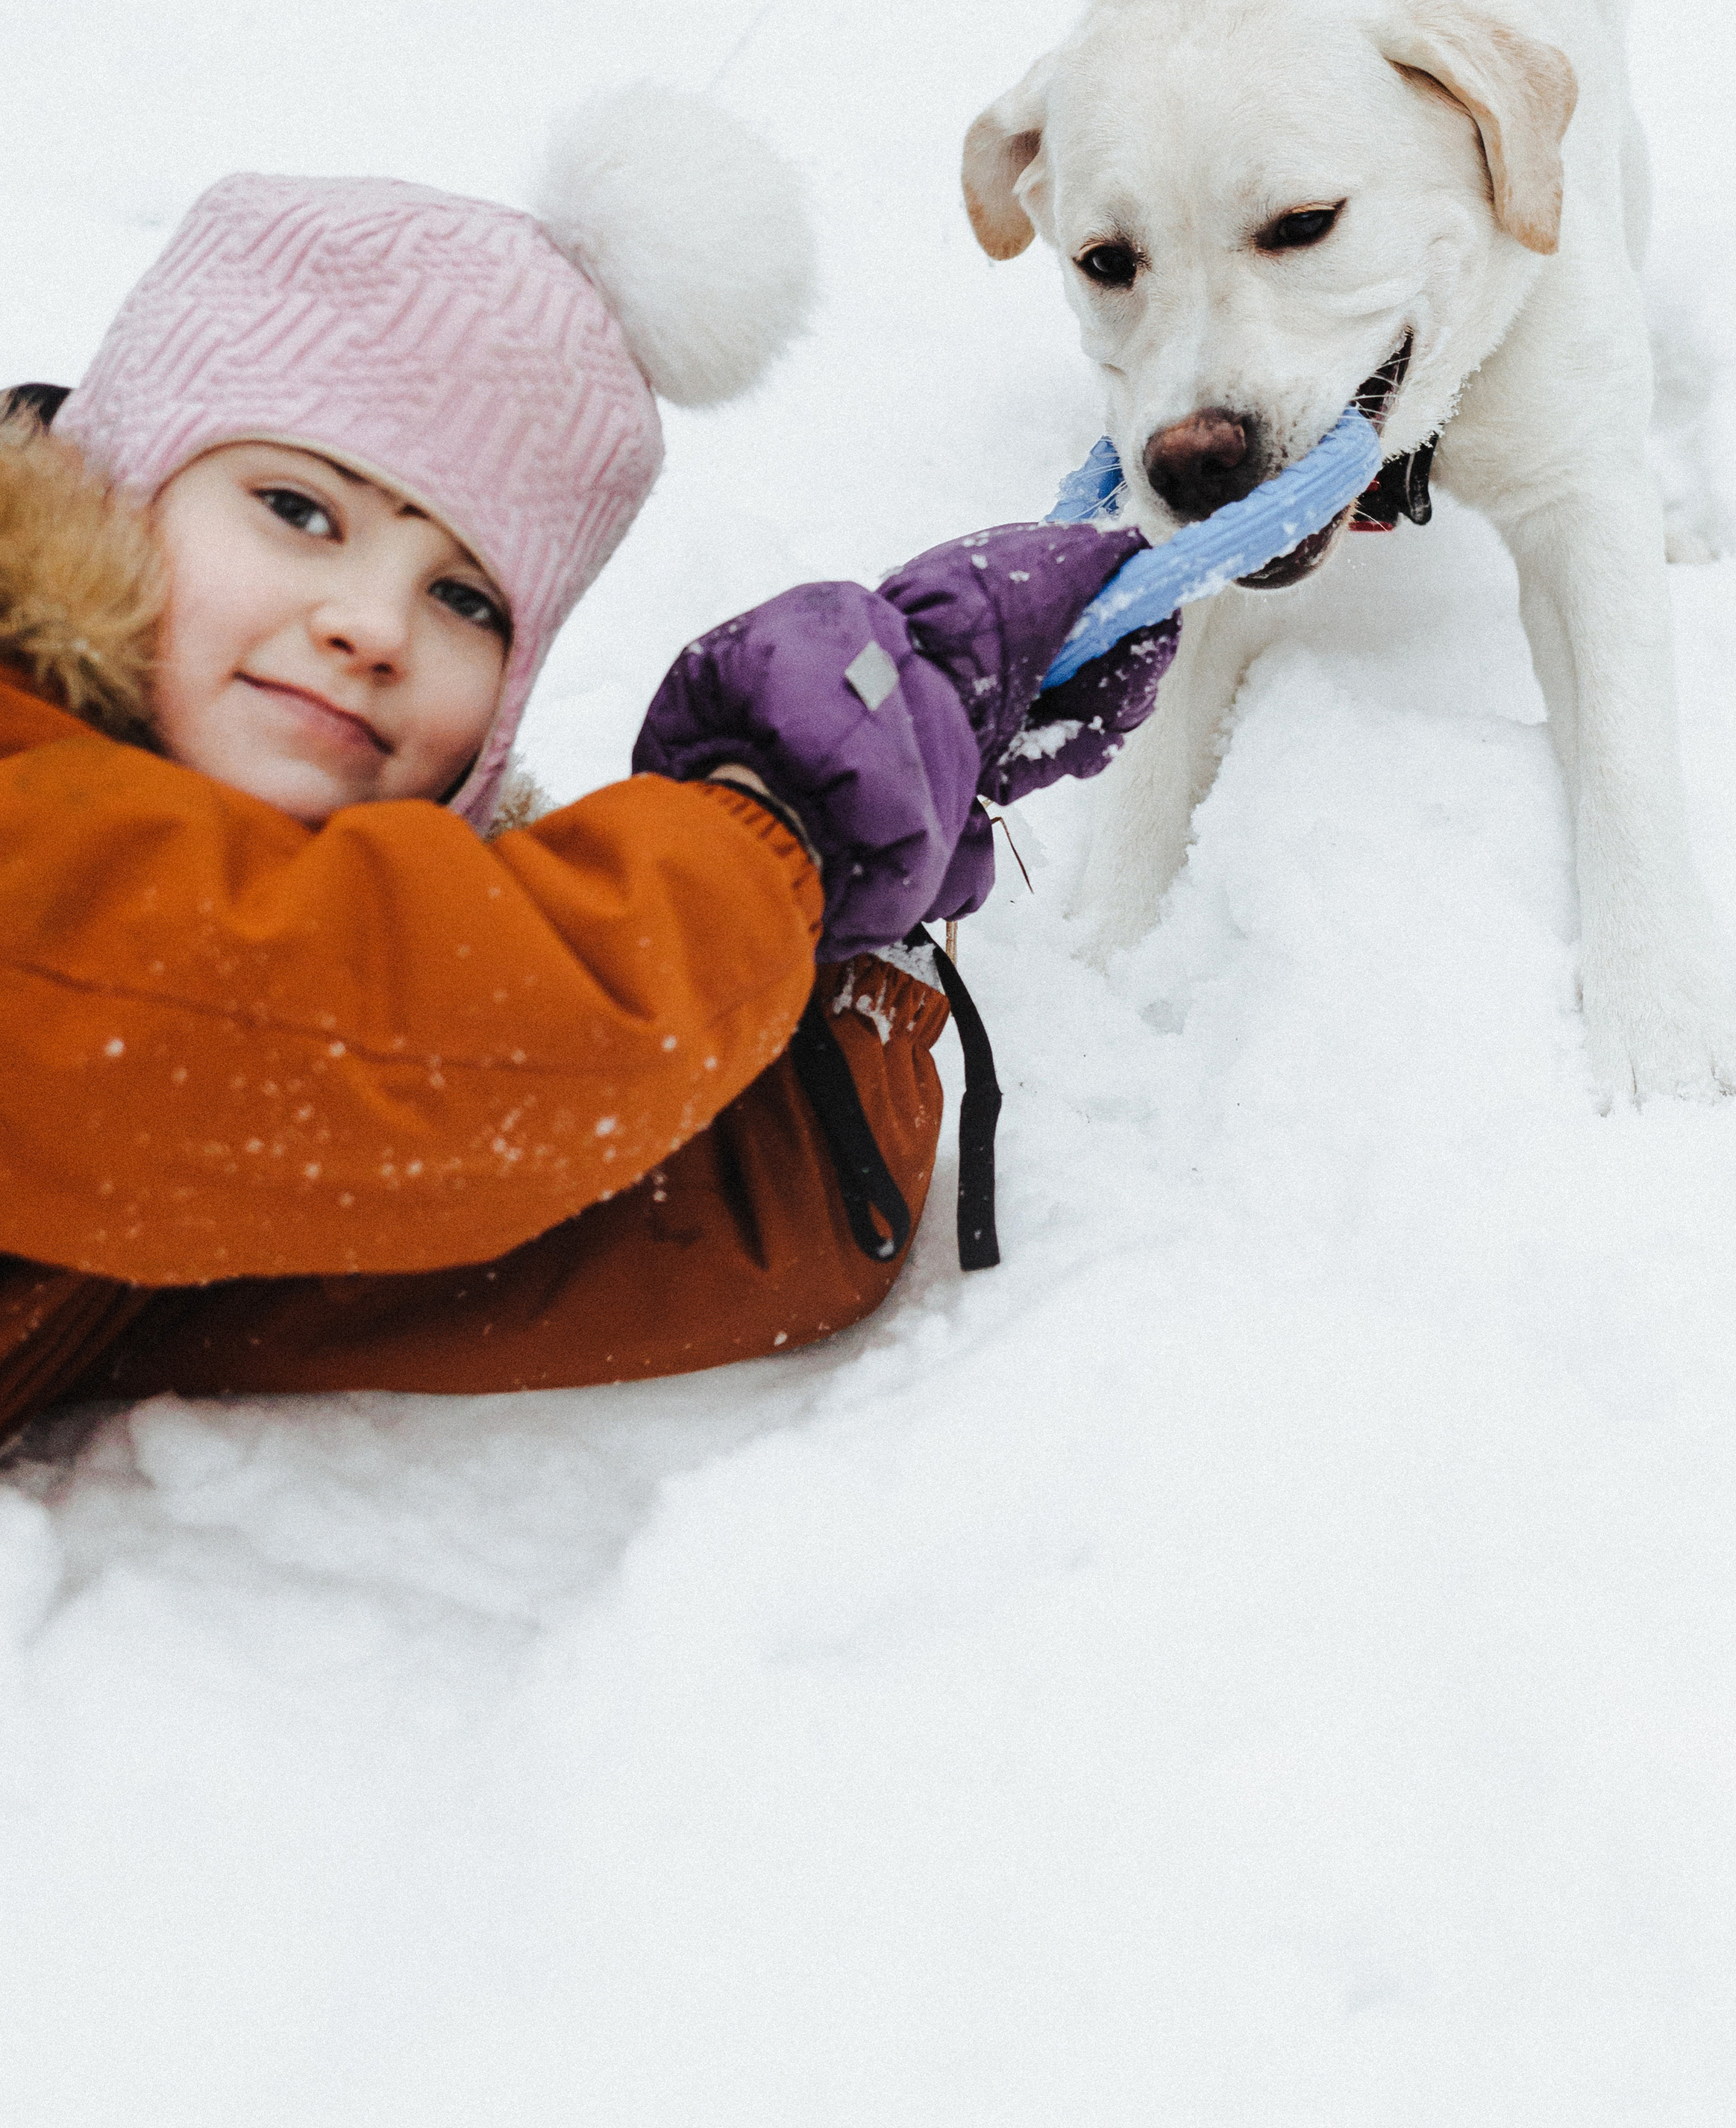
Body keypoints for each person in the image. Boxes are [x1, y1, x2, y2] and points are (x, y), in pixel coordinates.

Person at [0, 88, 1174, 1445]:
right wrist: (785, 818)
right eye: (297, 509)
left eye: (466, 600)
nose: (373, 625)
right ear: (111, 480)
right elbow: (401, 1041)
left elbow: (630, 1199)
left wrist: (871, 874)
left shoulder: (209, 1144)